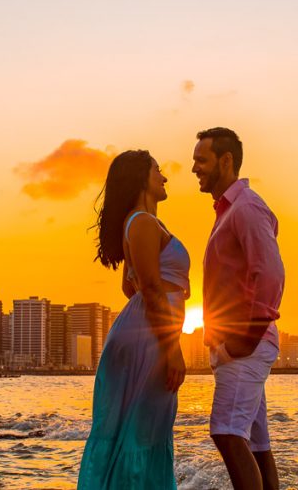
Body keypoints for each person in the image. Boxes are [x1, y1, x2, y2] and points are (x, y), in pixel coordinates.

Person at [78, 150, 190, 489]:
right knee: (145, 431)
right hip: (151, 338)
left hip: (144, 331)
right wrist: (172, 349)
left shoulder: (143, 222)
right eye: (158, 169)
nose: (165, 176)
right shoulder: (141, 221)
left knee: (141, 429)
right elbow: (150, 288)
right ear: (142, 176)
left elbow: (131, 285)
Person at [193, 127, 285, 490]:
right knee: (257, 445)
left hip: (247, 346)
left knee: (227, 434)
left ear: (226, 161)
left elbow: (271, 273)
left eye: (202, 159)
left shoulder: (247, 207)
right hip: (240, 346)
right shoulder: (228, 211)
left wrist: (245, 339)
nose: (194, 168)